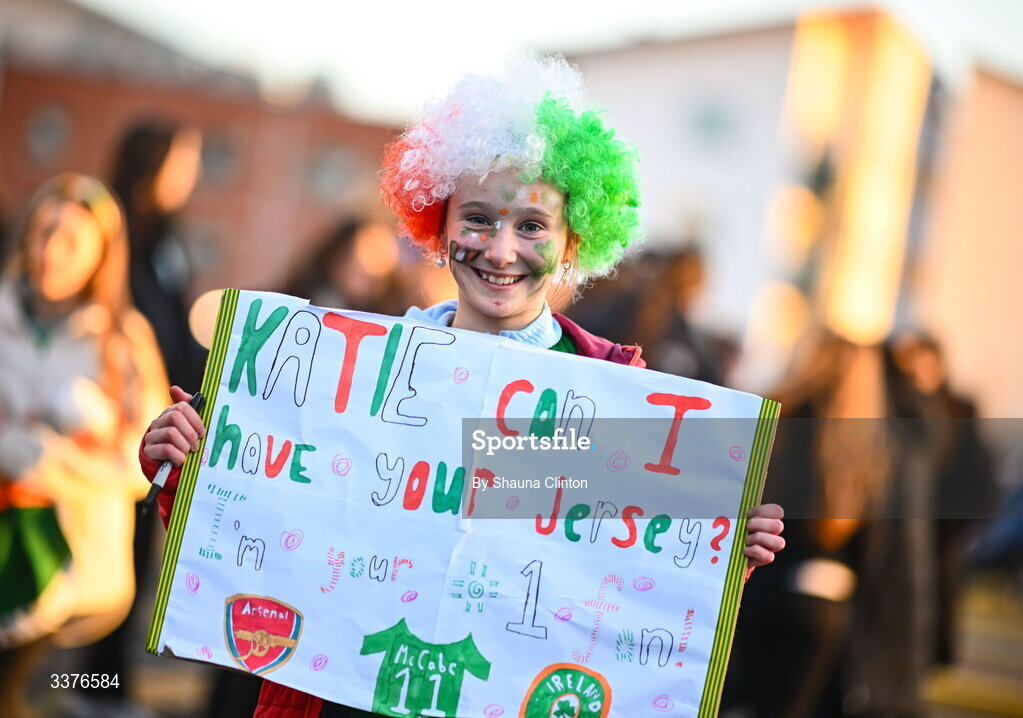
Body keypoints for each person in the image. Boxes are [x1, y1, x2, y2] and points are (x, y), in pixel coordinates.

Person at [137, 56, 785, 718]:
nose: (500, 250)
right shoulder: (344, 371)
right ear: (438, 230)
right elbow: (263, 528)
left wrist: (721, 551)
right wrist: (186, 467)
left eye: (531, 226)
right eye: (477, 219)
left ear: (570, 244)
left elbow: (634, 573)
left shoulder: (614, 396)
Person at [0, 174, 168, 718]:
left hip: (71, 576)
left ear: (101, 256)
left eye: (73, 241)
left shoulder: (121, 340)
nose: (52, 251)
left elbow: (142, 461)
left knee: (27, 693)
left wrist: (41, 458)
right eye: (44, 231)